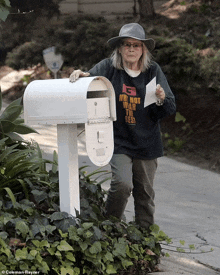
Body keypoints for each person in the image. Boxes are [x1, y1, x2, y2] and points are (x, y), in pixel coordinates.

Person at [69, 23, 176, 229]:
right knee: (122, 184)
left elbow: (169, 107)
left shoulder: (152, 71)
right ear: (119, 48)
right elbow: (90, 81)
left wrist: (161, 99)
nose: (131, 49)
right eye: (127, 45)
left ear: (143, 49)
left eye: (136, 45)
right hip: (119, 140)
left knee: (144, 193)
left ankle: (144, 238)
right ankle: (109, 228)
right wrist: (81, 77)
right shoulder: (109, 67)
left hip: (146, 142)